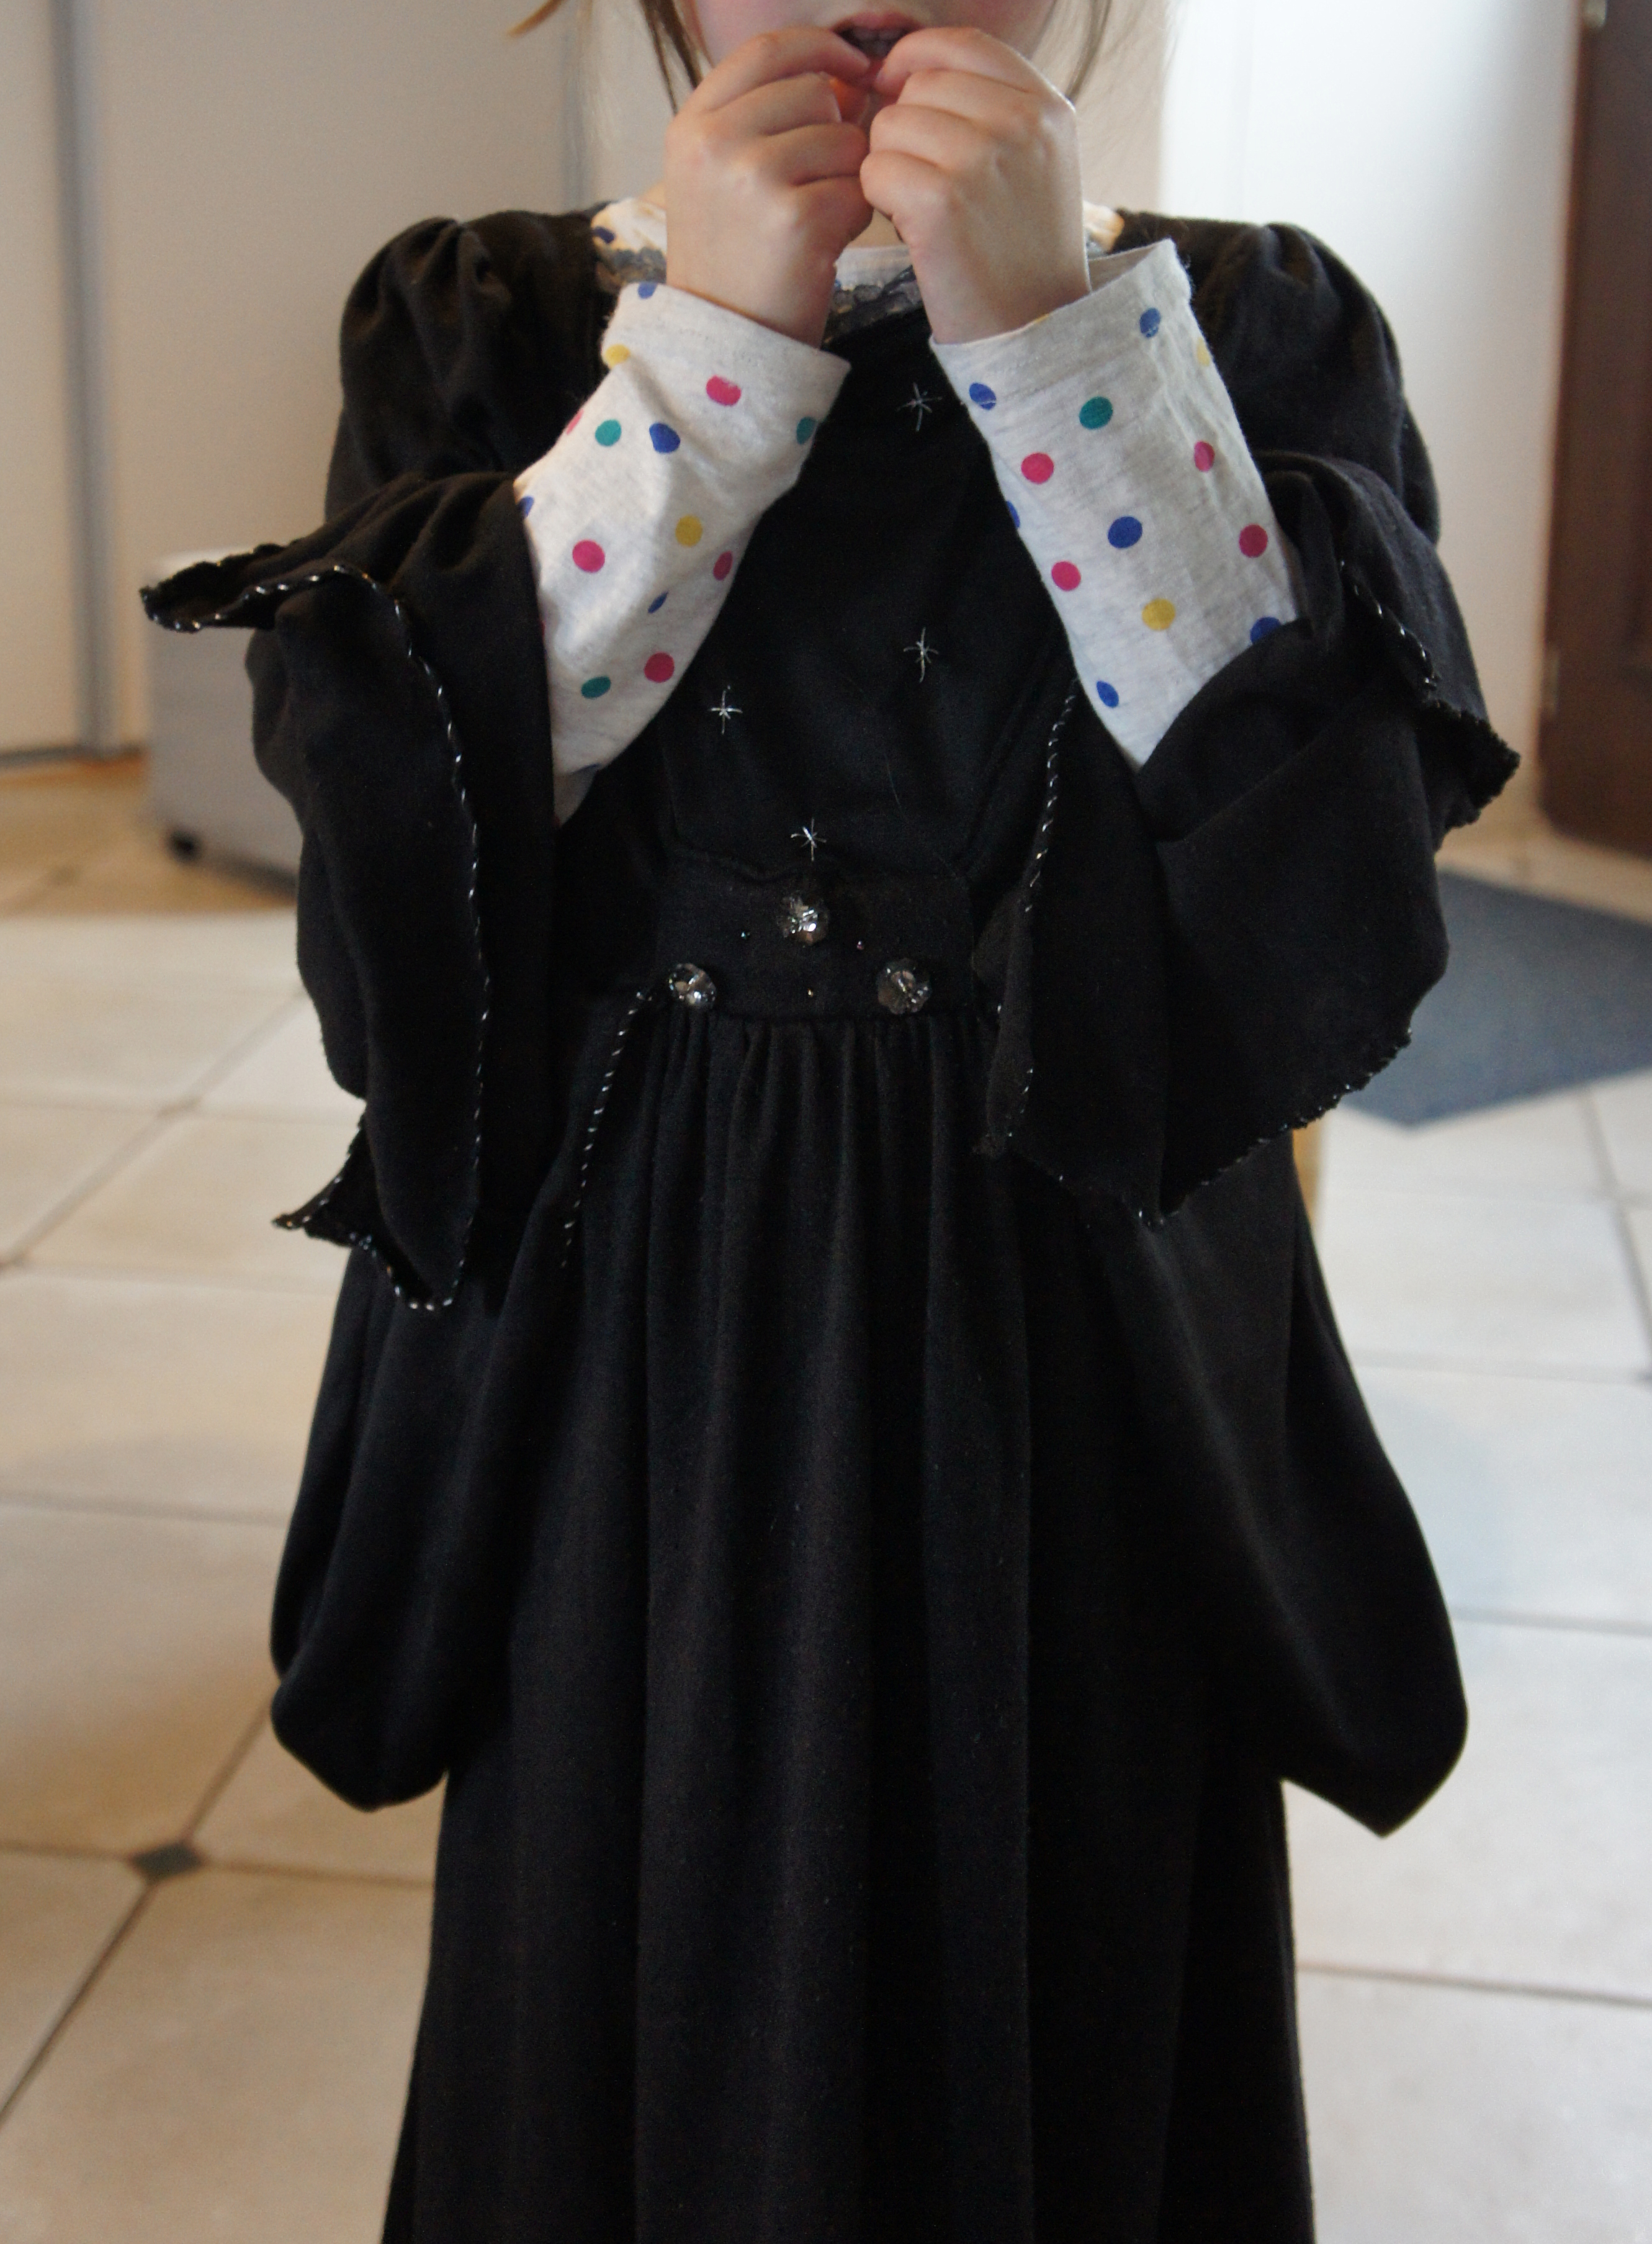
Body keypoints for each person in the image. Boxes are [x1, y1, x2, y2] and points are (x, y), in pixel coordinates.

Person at [145, 0, 1516, 2235]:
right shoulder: (490, 326)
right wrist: (709, 354)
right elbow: (411, 853)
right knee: (641, 1924)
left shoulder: (1260, 330)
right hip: (643, 1344)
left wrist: (1060, 346)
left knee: (1065, 1916)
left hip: (1075, 1340)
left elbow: (1314, 896)